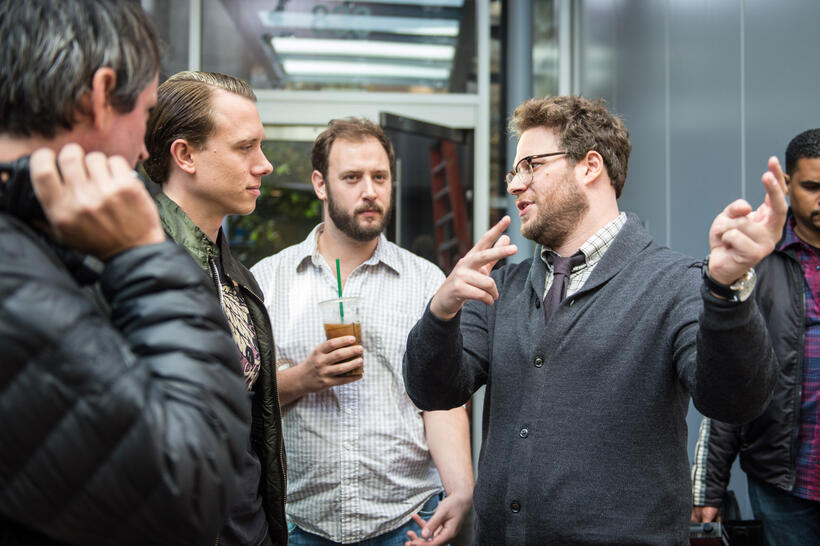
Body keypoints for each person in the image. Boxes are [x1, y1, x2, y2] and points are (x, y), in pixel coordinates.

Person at [402, 95, 784, 544]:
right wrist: (441, 312)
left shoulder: (677, 282)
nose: (515, 186)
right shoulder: (501, 288)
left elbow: (735, 401)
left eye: (531, 166)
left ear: (589, 167)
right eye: (514, 171)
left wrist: (726, 290)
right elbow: (433, 390)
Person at [0, 2, 251, 545]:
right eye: (144, 111)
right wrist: (143, 255)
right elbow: (192, 488)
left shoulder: (37, 237)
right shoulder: (18, 278)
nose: (143, 147)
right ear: (98, 95)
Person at [251, 118, 474, 546]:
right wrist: (303, 378)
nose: (369, 191)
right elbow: (244, 397)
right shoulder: (269, 280)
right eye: (352, 178)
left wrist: (461, 489)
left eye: (380, 177)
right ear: (320, 184)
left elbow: (441, 400)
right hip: (300, 523)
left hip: (408, 519)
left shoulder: (427, 282)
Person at [142, 70, 287, 546]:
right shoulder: (135, 269)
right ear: (185, 155)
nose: (264, 164)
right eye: (246, 147)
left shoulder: (236, 275)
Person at [691, 128, 820, 545]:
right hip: (785, 483)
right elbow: (730, 378)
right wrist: (708, 487)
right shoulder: (755, 263)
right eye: (812, 187)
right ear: (785, 185)